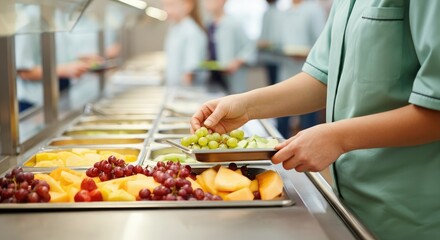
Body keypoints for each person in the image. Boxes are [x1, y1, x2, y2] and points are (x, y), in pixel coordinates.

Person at [191, 1, 440, 239]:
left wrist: (338, 138)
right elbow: (322, 79)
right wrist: (245, 106)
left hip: (410, 216)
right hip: (349, 205)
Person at [276, 0, 326, 138]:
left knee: (308, 118)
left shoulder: (313, 9)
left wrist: (305, 53)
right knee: (281, 114)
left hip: (309, 71)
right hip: (286, 68)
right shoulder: (285, 12)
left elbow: (322, 44)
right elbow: (281, 42)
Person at [203, 0, 256, 94]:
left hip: (232, 81)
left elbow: (250, 47)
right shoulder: (209, 24)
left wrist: (237, 62)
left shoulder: (234, 23)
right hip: (214, 78)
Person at [163, 0, 207, 86]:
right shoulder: (175, 27)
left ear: (188, 6)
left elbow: (190, 72)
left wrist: (183, 95)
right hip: (175, 89)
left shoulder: (192, 32)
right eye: (165, 5)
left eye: (171, 5)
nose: (167, 10)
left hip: (185, 93)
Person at [257, 0, 282, 86]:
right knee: (271, 85)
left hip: (276, 58)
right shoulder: (267, 13)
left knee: (276, 85)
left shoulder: (278, 14)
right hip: (268, 58)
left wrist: (267, 43)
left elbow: (277, 39)